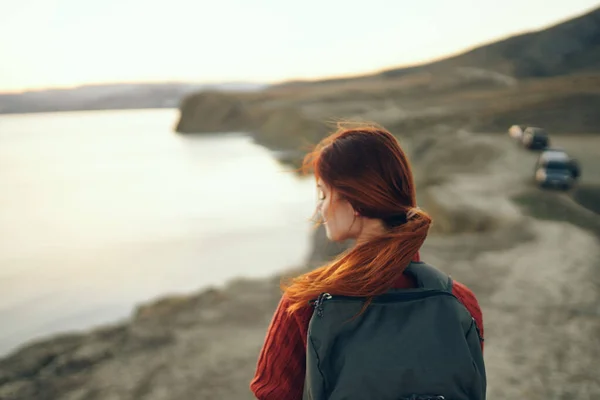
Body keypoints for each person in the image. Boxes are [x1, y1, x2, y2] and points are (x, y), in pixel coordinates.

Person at [250, 125, 485, 400]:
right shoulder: (460, 301)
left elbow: (271, 394)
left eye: (324, 194)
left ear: (355, 203)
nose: (319, 208)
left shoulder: (305, 303)